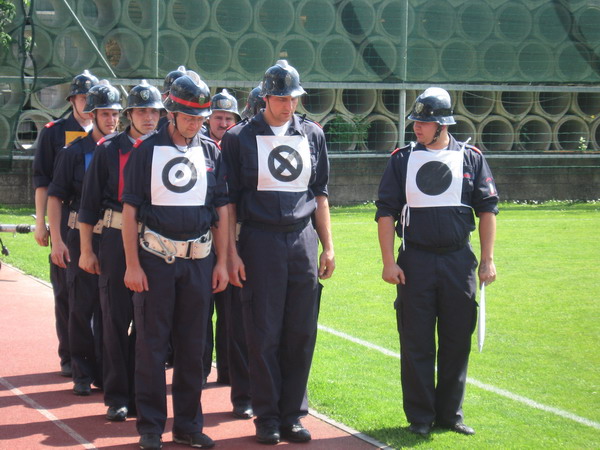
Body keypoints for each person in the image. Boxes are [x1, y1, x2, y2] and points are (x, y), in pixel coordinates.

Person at [221, 60, 335, 445]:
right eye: (282, 99)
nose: (289, 106)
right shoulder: (238, 138)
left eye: (293, 99)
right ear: (266, 98)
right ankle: (267, 417)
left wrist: (328, 246)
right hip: (259, 241)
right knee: (263, 333)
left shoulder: (312, 134)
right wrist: (231, 254)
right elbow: (228, 201)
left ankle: (293, 415)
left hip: (302, 240)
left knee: (300, 332)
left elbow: (320, 194)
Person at [375, 87, 498, 437]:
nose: (417, 127)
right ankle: (419, 417)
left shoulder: (471, 158)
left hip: (459, 261)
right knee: (416, 341)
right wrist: (388, 262)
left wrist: (487, 260)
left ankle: (450, 415)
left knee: (457, 340)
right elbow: (385, 213)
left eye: (425, 122)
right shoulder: (401, 159)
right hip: (415, 261)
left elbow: (488, 210)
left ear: (443, 125)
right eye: (415, 121)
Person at [121, 74, 228, 450]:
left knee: (193, 347)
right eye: (189, 117)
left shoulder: (212, 152)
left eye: (201, 118)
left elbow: (221, 210)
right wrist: (132, 265)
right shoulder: (146, 151)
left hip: (199, 262)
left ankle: (187, 425)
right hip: (155, 262)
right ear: (172, 113)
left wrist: (222, 262)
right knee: (151, 345)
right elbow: (130, 211)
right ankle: (151, 427)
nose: (195, 124)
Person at [78, 81, 163, 421]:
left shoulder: (166, 148)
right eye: (141, 111)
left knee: (150, 325)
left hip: (156, 243)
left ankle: (142, 394)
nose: (148, 117)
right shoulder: (108, 149)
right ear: (129, 114)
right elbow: (88, 204)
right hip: (114, 238)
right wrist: (86, 249)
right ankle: (116, 396)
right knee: (115, 319)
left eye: (154, 111)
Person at [47, 80, 122, 396]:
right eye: (104, 114)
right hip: (80, 236)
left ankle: (106, 372)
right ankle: (80, 370)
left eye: (115, 114)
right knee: (81, 304)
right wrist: (57, 240)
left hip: (113, 238)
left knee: (111, 308)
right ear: (92, 115)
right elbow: (55, 197)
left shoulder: (123, 150)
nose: (111, 120)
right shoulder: (73, 152)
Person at [32, 70, 98, 378]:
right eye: (82, 98)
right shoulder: (54, 133)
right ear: (72, 100)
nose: (87, 104)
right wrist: (42, 224)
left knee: (98, 295)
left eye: (92, 98)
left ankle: (96, 356)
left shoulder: (108, 133)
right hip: (67, 220)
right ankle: (70, 355)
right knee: (65, 292)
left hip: (100, 225)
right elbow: (43, 182)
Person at [201, 88, 241, 388]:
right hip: (202, 242)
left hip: (235, 242)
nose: (223, 123)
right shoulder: (198, 148)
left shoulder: (240, 148)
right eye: (218, 117)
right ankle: (200, 371)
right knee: (201, 312)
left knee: (232, 314)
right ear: (208, 119)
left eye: (229, 118)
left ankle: (229, 372)